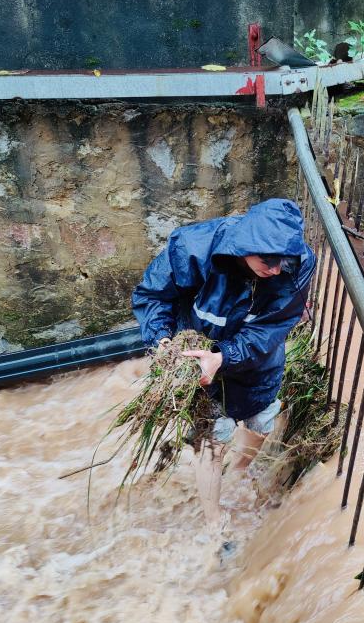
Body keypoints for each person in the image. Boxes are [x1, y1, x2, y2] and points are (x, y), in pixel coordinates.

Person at [131, 198, 316, 521]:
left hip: (257, 362)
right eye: (268, 259)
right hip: (197, 360)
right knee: (211, 441)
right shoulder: (193, 247)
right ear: (246, 245)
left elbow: (270, 328)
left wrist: (223, 357)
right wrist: (163, 343)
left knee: (261, 420)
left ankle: (240, 470)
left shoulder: (299, 265)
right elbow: (153, 295)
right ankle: (214, 519)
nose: (274, 270)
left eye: (282, 262)